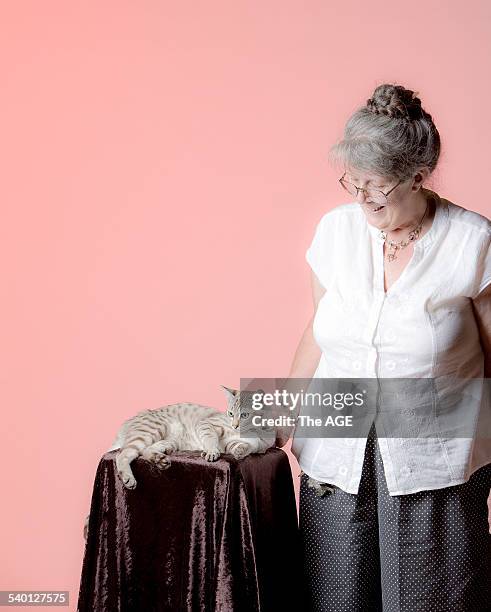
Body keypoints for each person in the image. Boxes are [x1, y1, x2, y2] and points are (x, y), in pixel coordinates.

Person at [278, 83, 491, 611]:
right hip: (335, 457)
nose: (362, 196)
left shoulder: (473, 242)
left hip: (437, 464)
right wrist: (273, 413)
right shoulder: (334, 233)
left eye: (379, 185)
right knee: (335, 600)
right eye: (353, 181)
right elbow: (317, 331)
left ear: (418, 176)